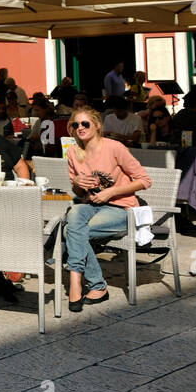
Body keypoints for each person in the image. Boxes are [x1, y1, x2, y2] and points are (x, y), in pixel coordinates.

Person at [63, 108, 152, 311]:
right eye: (75, 125)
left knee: (72, 231)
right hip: (91, 204)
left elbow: (145, 181)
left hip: (121, 207)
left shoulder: (114, 147)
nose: (80, 128)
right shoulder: (72, 152)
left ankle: (85, 282)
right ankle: (87, 282)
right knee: (75, 214)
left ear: (97, 125)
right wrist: (76, 182)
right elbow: (77, 190)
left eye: (85, 124)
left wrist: (111, 192)